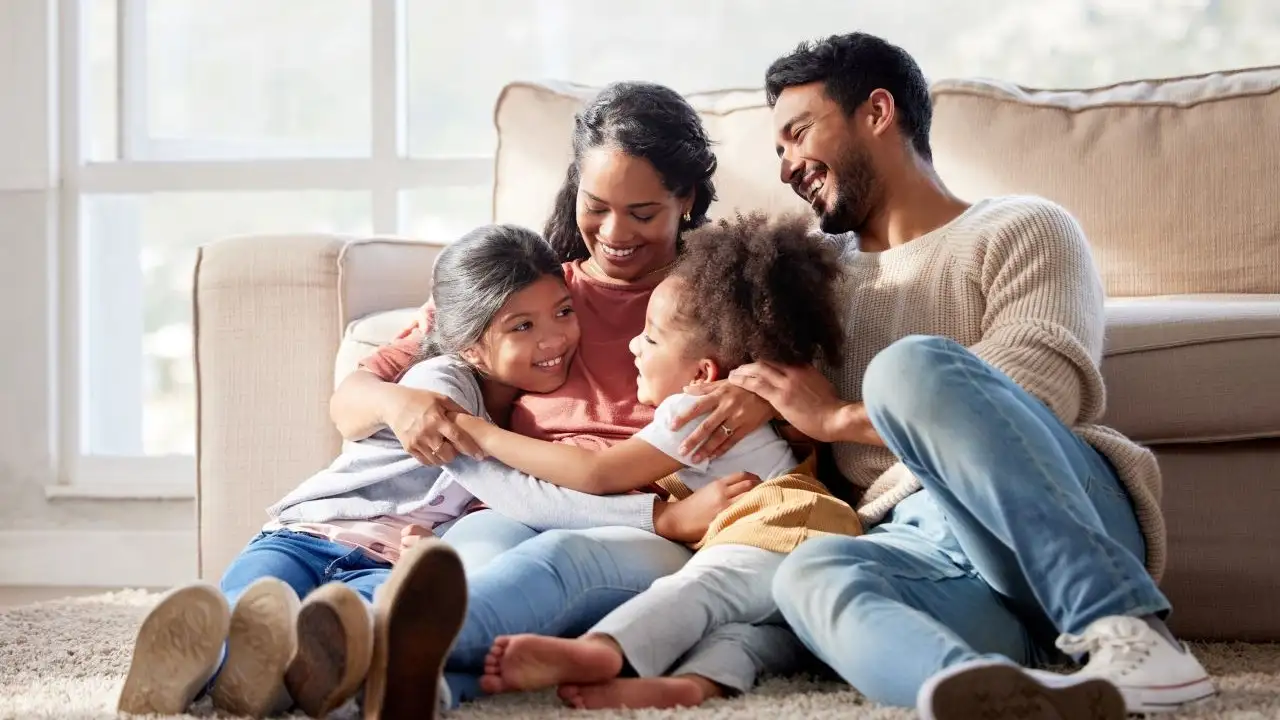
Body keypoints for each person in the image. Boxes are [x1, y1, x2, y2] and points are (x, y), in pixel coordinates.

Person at [671, 32, 1216, 719]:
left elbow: (1036, 387)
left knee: (910, 367)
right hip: (923, 550)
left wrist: (838, 417)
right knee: (810, 573)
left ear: (876, 112)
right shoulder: (809, 274)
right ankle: (985, 697)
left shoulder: (1023, 227)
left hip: (1055, 519)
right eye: (777, 150)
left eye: (798, 133)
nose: (785, 168)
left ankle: (1129, 628)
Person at [329, 81, 808, 714]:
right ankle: (399, 689)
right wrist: (400, 406)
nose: (614, 233)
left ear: (686, 199)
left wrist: (762, 396)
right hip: (519, 501)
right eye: (596, 205)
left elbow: (808, 402)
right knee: (468, 565)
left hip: (646, 524)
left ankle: (356, 653)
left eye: (642, 213)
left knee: (558, 562)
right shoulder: (528, 286)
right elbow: (354, 396)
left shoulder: (715, 297)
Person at [117, 223, 584, 719]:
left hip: (384, 566)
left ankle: (264, 681)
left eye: (563, 312)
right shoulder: (440, 384)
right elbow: (497, 484)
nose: (554, 337)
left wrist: (436, 553)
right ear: (469, 344)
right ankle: (199, 664)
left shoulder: (541, 424)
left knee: (347, 633)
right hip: (306, 535)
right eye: (523, 327)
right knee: (252, 607)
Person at [450, 213, 859, 709]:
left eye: (651, 338)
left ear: (703, 371)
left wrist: (483, 435)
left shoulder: (693, 408)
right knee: (747, 629)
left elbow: (596, 473)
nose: (631, 345)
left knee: (701, 590)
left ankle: (603, 650)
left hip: (784, 525)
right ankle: (691, 686)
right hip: (795, 538)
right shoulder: (725, 399)